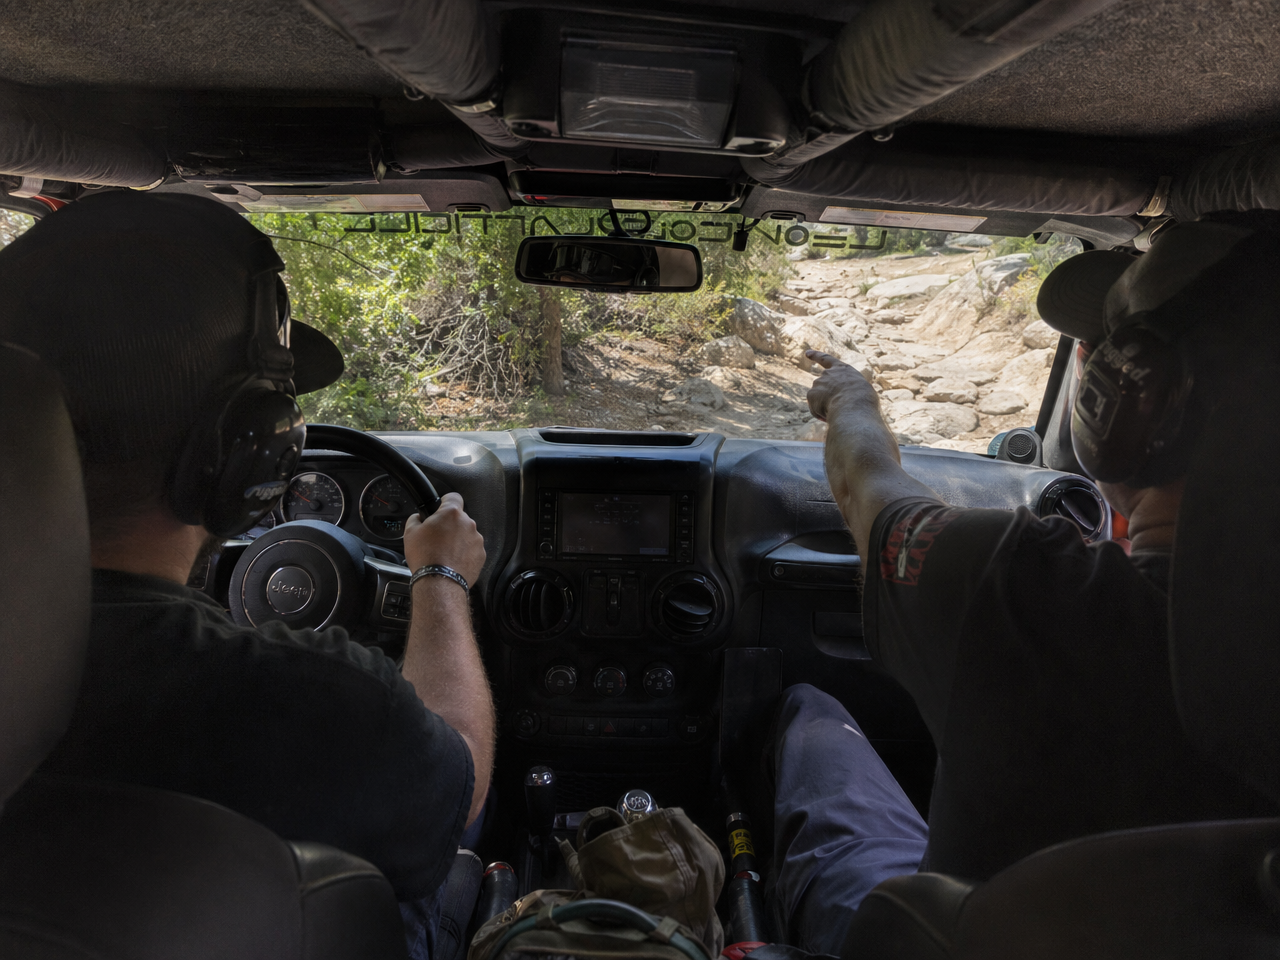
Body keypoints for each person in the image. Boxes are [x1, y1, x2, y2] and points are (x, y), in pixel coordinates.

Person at [764, 217, 1280, 956]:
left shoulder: (1018, 587)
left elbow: (863, 485)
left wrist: (850, 398)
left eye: (1095, 353)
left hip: (958, 929)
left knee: (807, 716)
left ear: (1127, 403)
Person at [0, 191, 494, 959]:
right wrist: (440, 580)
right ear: (251, 456)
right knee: (462, 871)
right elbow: (461, 774)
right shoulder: (319, 703)